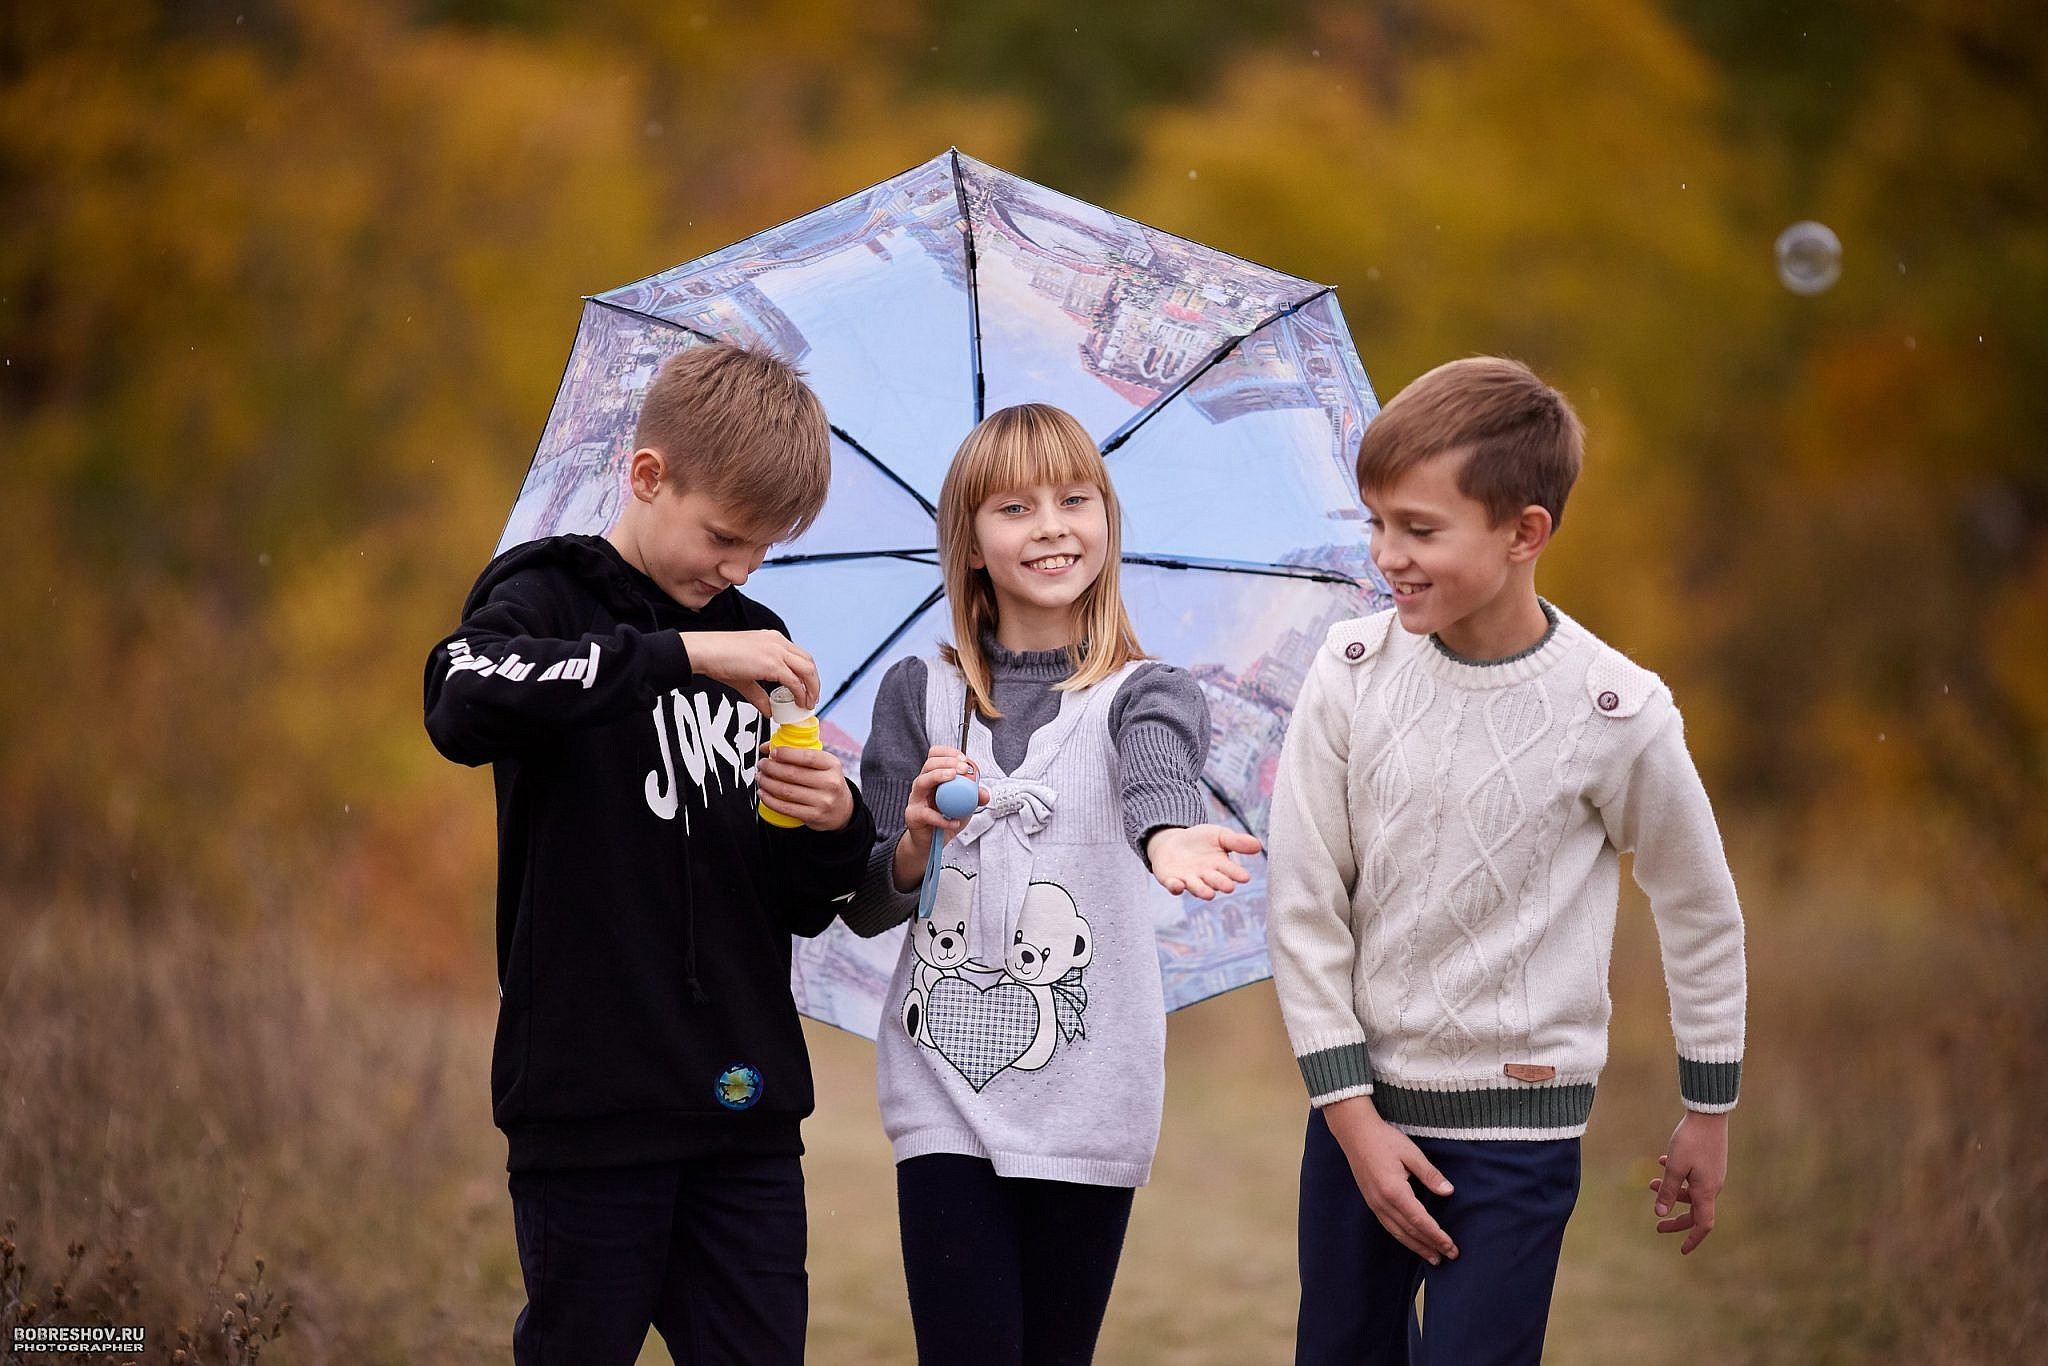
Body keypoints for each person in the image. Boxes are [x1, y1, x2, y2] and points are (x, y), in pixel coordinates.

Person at [1265, 357, 1747, 1365]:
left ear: (1523, 533)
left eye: (1418, 529)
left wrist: (1707, 1111)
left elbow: (1699, 909)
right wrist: (1351, 1119)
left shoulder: (1615, 713)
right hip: (1356, 1122)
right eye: (1376, 522)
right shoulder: (1348, 674)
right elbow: (1305, 906)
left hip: (1519, 1140)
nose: (1386, 554)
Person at [422, 342, 875, 1366]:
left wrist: (832, 821)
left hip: (745, 1107)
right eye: (724, 536)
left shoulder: (758, 639)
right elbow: (460, 697)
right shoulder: (545, 597)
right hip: (588, 1106)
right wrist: (681, 655)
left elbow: (797, 902)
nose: (739, 571)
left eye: (763, 550)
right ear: (647, 476)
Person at [842, 403, 1262, 1364]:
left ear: (1107, 521)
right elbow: (864, 903)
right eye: (1014, 508)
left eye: (1075, 500)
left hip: (1092, 1097)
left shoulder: (1148, 692)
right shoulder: (919, 694)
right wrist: (916, 842)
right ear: (970, 545)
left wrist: (1165, 837)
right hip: (942, 1092)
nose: (1050, 527)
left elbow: (1156, 771)